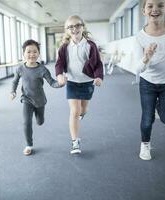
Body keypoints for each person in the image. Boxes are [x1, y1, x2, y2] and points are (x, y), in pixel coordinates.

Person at [133, 0, 165, 160]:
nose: (155, 9)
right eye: (150, 6)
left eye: (160, 5)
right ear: (144, 10)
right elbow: (138, 69)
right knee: (147, 118)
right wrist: (146, 57)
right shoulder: (139, 37)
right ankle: (145, 145)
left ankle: (158, 107)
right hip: (148, 83)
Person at [55, 15, 103, 154]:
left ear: (83, 27)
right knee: (74, 111)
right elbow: (59, 64)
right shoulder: (64, 47)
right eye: (70, 27)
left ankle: (82, 114)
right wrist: (59, 76)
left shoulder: (90, 45)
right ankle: (75, 142)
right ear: (67, 30)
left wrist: (99, 77)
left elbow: (98, 63)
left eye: (77, 25)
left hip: (87, 82)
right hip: (72, 82)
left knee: (83, 109)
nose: (74, 29)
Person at [10, 39, 62, 156]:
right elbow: (15, 82)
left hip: (40, 101)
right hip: (26, 100)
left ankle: (40, 119)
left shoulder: (42, 69)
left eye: (34, 52)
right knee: (26, 122)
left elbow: (52, 82)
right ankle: (29, 145)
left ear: (38, 53)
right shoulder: (20, 69)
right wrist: (12, 92)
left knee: (40, 122)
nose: (32, 54)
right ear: (23, 54)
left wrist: (60, 83)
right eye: (28, 52)